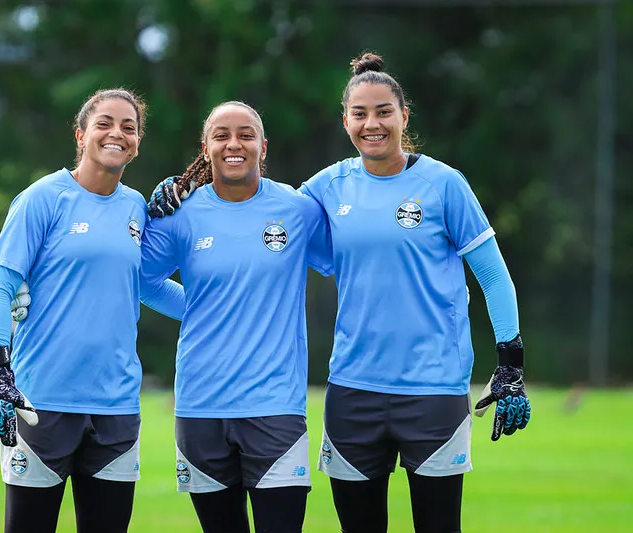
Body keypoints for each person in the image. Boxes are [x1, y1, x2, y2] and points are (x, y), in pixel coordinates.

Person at [148, 53, 531, 533]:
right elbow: (244, 214)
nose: (372, 124)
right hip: (352, 392)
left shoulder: (443, 184)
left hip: (434, 388)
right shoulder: (324, 190)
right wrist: (179, 188)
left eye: (384, 112)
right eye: (360, 114)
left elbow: (493, 276)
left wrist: (511, 363)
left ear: (403, 116)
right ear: (345, 121)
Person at [19, 100, 333, 532]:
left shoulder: (298, 210)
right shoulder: (180, 213)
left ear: (264, 145)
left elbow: (353, 259)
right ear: (205, 148)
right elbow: (141, 280)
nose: (234, 144)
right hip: (200, 407)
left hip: (276, 406)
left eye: (245, 135)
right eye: (221, 136)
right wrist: (206, 312)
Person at [0, 87, 185, 533]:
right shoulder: (42, 199)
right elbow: (0, 284)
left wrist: (217, 312)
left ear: (137, 142)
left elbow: (146, 286)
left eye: (129, 127)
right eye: (104, 124)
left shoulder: (136, 207)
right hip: (41, 404)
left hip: (116, 408)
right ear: (80, 135)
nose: (117, 133)